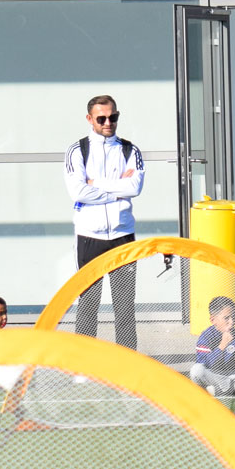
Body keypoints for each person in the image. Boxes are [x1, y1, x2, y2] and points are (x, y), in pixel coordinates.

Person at [65, 94, 143, 349]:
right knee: (88, 303)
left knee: (125, 306)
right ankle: (84, 362)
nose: (108, 123)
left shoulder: (130, 150)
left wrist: (95, 183)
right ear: (90, 119)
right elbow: (78, 192)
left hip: (122, 235)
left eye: (113, 117)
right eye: (101, 118)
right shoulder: (78, 150)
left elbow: (135, 187)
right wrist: (117, 189)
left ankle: (127, 361)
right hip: (90, 236)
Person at [190, 295, 235, 396]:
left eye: (234, 317)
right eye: (226, 318)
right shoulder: (205, 337)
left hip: (232, 373)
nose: (231, 322)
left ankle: (218, 389)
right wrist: (222, 345)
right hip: (213, 374)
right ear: (213, 320)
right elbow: (207, 364)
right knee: (196, 371)